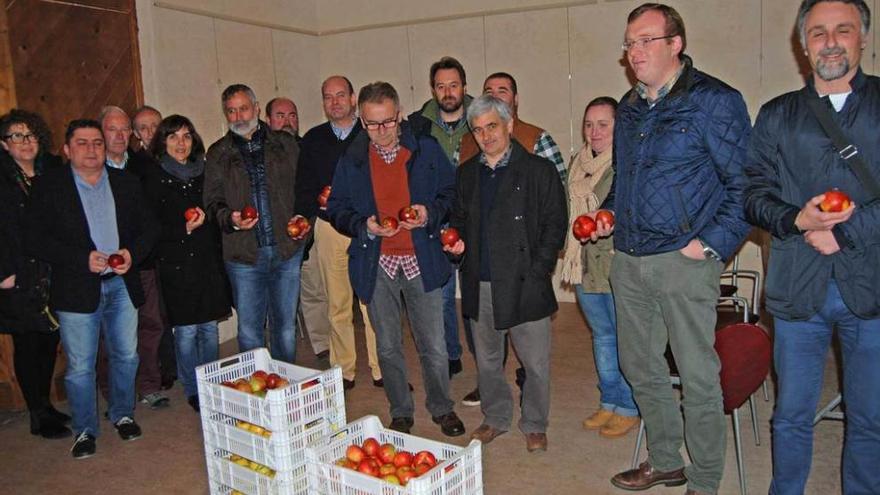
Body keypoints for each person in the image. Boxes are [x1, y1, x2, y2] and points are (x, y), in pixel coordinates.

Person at [595, 4, 752, 494]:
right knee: (639, 366)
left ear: (675, 44)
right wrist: (611, 212)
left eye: (645, 41)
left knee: (698, 378)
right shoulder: (629, 107)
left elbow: (746, 184)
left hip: (683, 262)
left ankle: (704, 481)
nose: (634, 52)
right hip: (631, 258)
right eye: (629, 43)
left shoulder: (714, 101)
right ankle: (665, 458)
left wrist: (709, 245)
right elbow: (627, 179)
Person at [744, 1, 880, 493]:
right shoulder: (777, 114)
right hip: (798, 289)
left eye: (843, 30)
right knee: (791, 416)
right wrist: (797, 219)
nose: (830, 41)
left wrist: (843, 230)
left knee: (870, 419)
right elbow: (752, 194)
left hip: (871, 289)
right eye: (818, 32)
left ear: (863, 37)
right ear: (803, 45)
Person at [327, 81, 465, 437]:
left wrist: (429, 213)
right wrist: (365, 226)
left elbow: (451, 194)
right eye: (372, 125)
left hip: (422, 259)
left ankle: (441, 407)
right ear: (362, 121)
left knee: (433, 345)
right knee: (387, 345)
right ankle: (400, 409)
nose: (382, 132)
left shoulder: (426, 150)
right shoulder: (352, 159)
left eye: (388, 122)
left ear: (399, 114)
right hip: (378, 264)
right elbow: (336, 208)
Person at [25, 119, 160, 459]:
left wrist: (132, 253)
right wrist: (80, 259)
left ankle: (122, 413)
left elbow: (150, 228)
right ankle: (86, 429)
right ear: (67, 150)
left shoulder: (126, 183)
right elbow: (35, 239)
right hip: (76, 288)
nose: (91, 149)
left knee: (126, 355)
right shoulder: (49, 187)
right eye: (82, 143)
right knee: (81, 366)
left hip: (120, 284)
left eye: (97, 142)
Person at [445, 94, 567, 452]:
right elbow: (459, 221)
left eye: (492, 127)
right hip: (480, 279)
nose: (486, 136)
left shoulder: (538, 170)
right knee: (487, 360)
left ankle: (534, 423)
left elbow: (555, 223)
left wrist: (540, 269)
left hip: (526, 280)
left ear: (509, 124)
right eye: (478, 130)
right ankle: (496, 417)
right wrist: (456, 244)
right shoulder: (467, 173)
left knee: (535, 362)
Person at [203, 84, 309, 364]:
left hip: (287, 250)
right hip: (243, 256)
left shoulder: (286, 144)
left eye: (244, 108)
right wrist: (232, 220)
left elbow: (305, 191)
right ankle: (258, 391)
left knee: (285, 329)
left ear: (257, 108)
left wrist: (303, 222)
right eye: (231, 111)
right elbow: (212, 203)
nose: (238, 116)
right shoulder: (218, 153)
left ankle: (284, 385)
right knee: (249, 332)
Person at [559, 97, 639, 438]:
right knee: (603, 336)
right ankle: (609, 401)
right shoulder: (577, 164)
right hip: (584, 265)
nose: (594, 132)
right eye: (589, 124)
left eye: (603, 124)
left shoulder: (627, 165)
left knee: (625, 338)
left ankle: (630, 406)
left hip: (617, 265)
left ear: (619, 127)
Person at [298, 76, 382, 388]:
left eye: (340, 95)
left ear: (353, 98)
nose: (334, 102)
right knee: (337, 303)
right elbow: (303, 186)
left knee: (373, 301)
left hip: (367, 226)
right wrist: (313, 204)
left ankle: (381, 367)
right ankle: (343, 370)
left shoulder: (371, 132)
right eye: (328, 97)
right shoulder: (313, 139)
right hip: (329, 226)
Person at [143, 115, 231, 413]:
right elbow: (150, 228)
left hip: (206, 260)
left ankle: (209, 383)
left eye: (186, 136)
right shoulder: (153, 177)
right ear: (163, 142)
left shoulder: (204, 172)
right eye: (173, 137)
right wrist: (184, 230)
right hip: (175, 263)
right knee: (186, 331)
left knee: (208, 328)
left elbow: (218, 208)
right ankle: (193, 388)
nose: (181, 143)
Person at [0, 109, 70, 439]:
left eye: (30, 135)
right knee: (27, 344)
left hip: (52, 270)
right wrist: (4, 272)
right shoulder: (3, 181)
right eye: (16, 136)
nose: (25, 142)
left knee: (49, 339)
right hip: (17, 274)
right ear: (4, 144)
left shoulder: (52, 171)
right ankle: (37, 414)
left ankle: (46, 405)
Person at [97, 106, 170, 409]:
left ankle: (149, 385)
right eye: (112, 129)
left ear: (132, 134)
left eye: (124, 129)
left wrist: (138, 251)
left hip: (141, 261)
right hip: (104, 267)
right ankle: (113, 392)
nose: (119, 135)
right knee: (107, 335)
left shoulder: (144, 167)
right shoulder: (89, 169)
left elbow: (153, 217)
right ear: (101, 133)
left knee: (151, 324)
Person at [407, 56, 471, 382]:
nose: (448, 92)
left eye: (453, 85)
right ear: (433, 89)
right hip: (438, 218)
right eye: (441, 85)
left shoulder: (482, 118)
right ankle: (450, 353)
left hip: (475, 219)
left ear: (464, 86)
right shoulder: (417, 125)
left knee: (476, 294)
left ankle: (487, 358)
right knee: (443, 293)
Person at [268, 94, 333, 371]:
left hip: (311, 224)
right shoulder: (261, 153)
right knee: (291, 296)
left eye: (292, 115)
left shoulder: (308, 146)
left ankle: (324, 344)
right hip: (277, 234)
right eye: (280, 115)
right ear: (268, 119)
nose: (287, 121)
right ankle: (292, 350)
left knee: (318, 286)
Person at [459, 72, 567, 182]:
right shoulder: (465, 142)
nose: (494, 98)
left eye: (502, 92)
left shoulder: (538, 138)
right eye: (489, 92)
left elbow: (557, 187)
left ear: (516, 99)